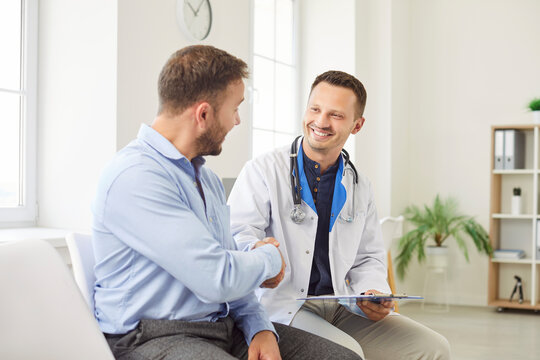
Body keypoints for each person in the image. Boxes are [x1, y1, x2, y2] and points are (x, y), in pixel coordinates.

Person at [91, 47, 361, 360]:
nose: (236, 120)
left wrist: (258, 325)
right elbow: (217, 277)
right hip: (153, 336)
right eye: (234, 109)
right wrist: (270, 258)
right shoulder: (136, 176)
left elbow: (228, 260)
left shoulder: (205, 179)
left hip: (222, 326)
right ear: (203, 114)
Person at [228, 70, 451, 359]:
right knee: (348, 353)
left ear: (357, 125)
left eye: (336, 115)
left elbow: (368, 257)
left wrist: (371, 292)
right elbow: (237, 235)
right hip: (284, 305)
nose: (321, 122)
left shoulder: (359, 185)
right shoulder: (263, 171)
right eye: (315, 109)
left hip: (339, 305)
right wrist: (258, 251)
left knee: (432, 348)